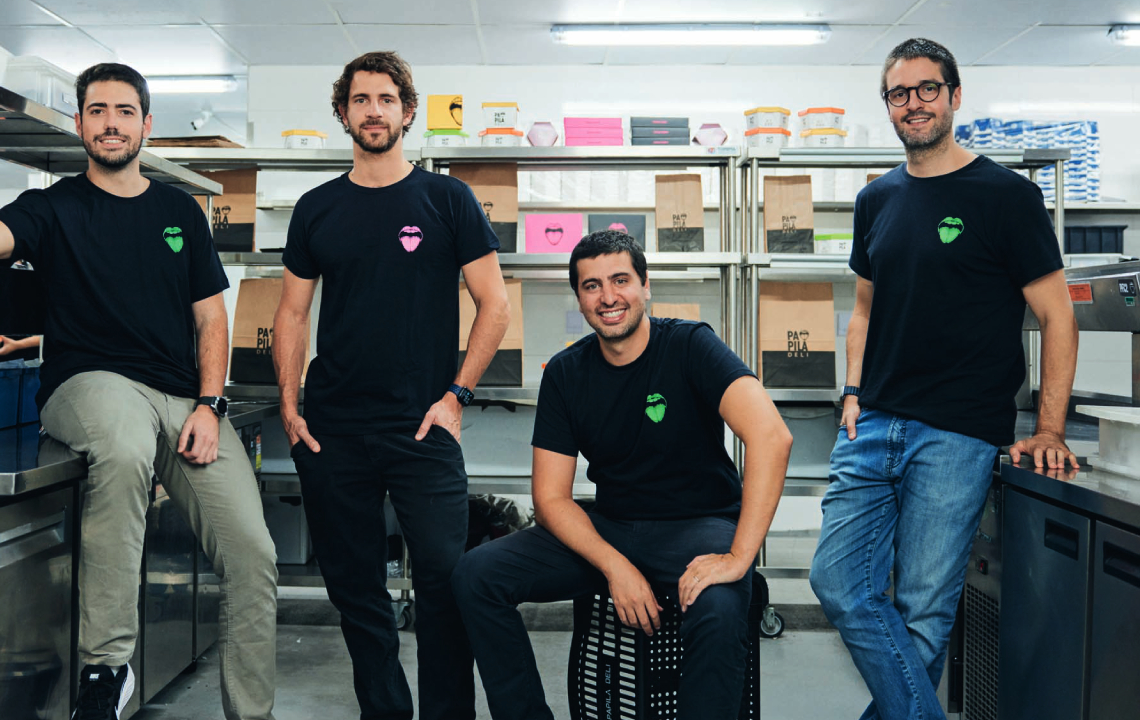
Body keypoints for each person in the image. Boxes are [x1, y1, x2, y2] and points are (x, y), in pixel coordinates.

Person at [0, 63, 278, 720]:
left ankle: (252, 712)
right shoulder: (53, 206)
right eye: (97, 111)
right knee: (122, 448)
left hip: (183, 401)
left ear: (146, 125)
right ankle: (106, 668)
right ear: (80, 123)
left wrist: (210, 406)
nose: (111, 123)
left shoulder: (179, 211)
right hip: (89, 385)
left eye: (125, 111)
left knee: (253, 552)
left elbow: (211, 317)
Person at [809, 38, 1079, 720]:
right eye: (899, 94)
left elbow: (1056, 315)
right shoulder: (876, 199)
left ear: (955, 96)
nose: (914, 104)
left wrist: (1048, 426)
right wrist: (850, 391)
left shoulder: (1008, 197)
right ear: (889, 108)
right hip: (873, 422)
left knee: (923, 614)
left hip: (957, 433)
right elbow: (864, 310)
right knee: (837, 581)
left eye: (927, 89)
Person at [452, 231, 793, 720]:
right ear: (579, 298)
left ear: (645, 285)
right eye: (591, 286)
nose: (608, 297)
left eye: (620, 280)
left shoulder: (691, 345)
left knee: (719, 608)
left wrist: (740, 556)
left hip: (697, 525)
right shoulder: (566, 373)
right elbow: (550, 499)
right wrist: (615, 566)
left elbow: (771, 437)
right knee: (476, 574)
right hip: (611, 526)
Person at [272, 51, 510, 720]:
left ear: (408, 112)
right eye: (359, 99)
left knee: (443, 579)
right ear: (343, 112)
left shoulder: (447, 199)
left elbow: (495, 304)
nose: (372, 110)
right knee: (356, 591)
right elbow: (290, 313)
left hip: (422, 425)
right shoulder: (316, 208)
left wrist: (456, 395)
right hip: (333, 429)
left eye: (385, 99)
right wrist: (290, 407)